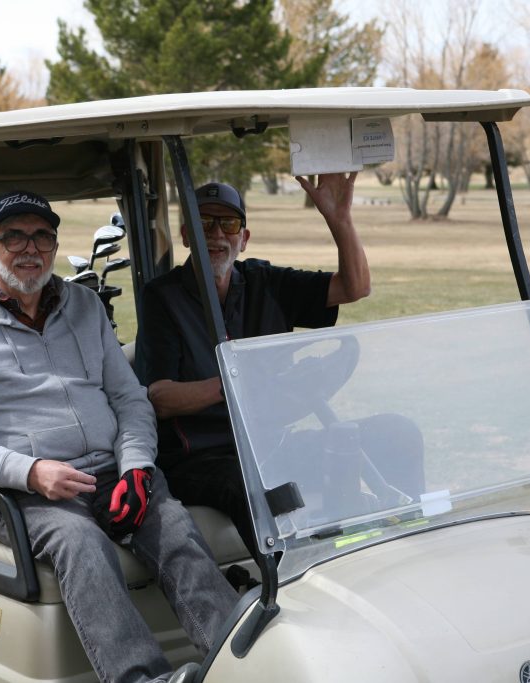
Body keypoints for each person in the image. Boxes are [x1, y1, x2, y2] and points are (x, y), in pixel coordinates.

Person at [0, 190, 239, 683]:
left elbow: (131, 400)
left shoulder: (84, 307)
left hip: (111, 472)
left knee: (175, 529)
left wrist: (136, 466)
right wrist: (31, 471)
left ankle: (239, 667)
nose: (31, 249)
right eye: (14, 238)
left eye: (43, 237)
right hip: (19, 493)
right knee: (81, 543)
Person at [135, 174, 424, 559]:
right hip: (199, 457)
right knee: (255, 485)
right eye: (204, 224)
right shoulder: (162, 297)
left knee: (397, 432)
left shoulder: (265, 282)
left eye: (229, 224)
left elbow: (354, 287)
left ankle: (415, 546)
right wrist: (240, 382)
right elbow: (161, 396)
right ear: (187, 235)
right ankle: (292, 582)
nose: (216, 235)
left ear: (244, 237)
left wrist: (340, 220)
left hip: (270, 444)